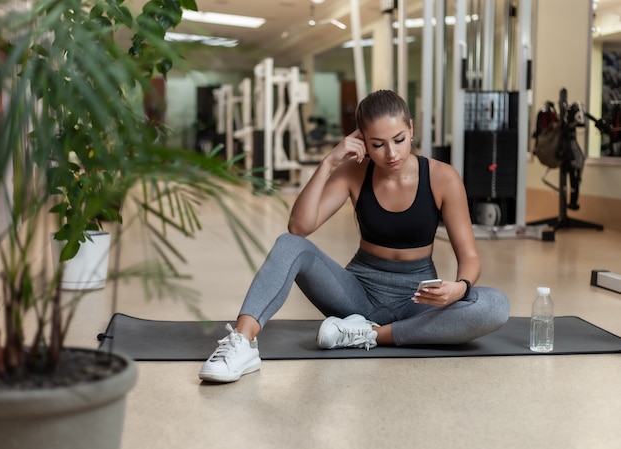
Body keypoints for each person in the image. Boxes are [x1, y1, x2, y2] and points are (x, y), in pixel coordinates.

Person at [198, 89, 510, 383]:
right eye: (377, 145)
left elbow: (469, 257)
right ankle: (242, 343)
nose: (391, 153)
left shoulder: (443, 177)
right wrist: (329, 162)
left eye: (399, 139)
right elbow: (299, 227)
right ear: (361, 140)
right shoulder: (353, 173)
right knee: (289, 245)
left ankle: (370, 335)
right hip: (356, 296)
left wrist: (460, 287)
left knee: (494, 305)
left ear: (411, 129)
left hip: (418, 299)